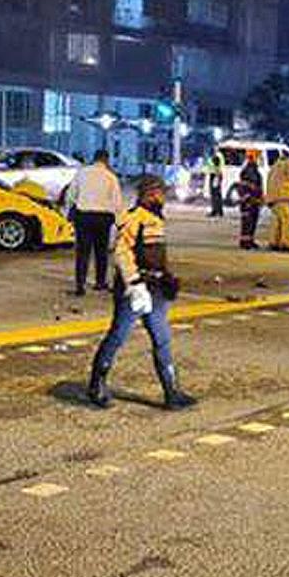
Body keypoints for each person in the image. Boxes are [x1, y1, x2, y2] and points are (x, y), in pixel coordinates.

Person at [87, 174, 196, 410]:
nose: (163, 197)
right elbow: (121, 251)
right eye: (160, 193)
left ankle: (171, 392)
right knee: (118, 336)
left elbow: (155, 255)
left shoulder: (156, 219)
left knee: (162, 340)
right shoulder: (133, 218)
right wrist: (134, 283)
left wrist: (166, 277)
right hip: (135, 289)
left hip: (156, 290)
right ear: (149, 194)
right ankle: (96, 385)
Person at [63, 149, 123, 296]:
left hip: (84, 217)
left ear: (94, 158)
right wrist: (120, 223)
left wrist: (69, 211)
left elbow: (70, 195)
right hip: (103, 218)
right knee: (101, 252)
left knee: (82, 252)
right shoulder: (111, 177)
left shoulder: (82, 173)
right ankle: (100, 282)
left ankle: (80, 285)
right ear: (106, 160)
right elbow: (117, 201)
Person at [266, 151, 289, 251]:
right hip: (284, 197)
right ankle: (286, 244)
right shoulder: (284, 165)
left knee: (276, 222)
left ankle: (274, 242)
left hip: (274, 198)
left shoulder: (273, 167)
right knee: (286, 222)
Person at [236, 150, 263, 249]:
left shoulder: (254, 170)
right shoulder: (248, 171)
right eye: (257, 157)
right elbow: (244, 187)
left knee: (253, 222)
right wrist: (247, 199)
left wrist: (260, 197)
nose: (259, 159)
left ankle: (250, 240)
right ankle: (245, 242)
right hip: (249, 201)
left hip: (254, 200)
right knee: (247, 222)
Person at [205, 147, 226, 217]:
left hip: (215, 175)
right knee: (217, 194)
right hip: (217, 175)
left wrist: (216, 177)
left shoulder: (216, 156)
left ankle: (216, 210)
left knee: (215, 194)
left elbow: (217, 167)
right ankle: (219, 211)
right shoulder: (219, 155)